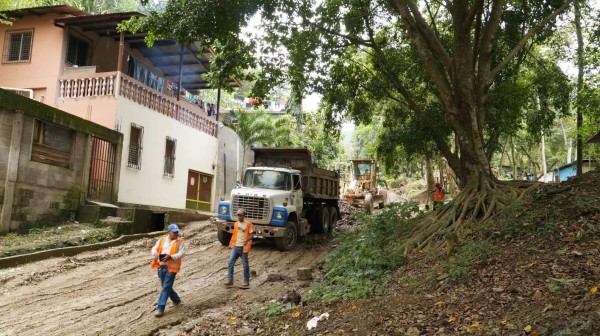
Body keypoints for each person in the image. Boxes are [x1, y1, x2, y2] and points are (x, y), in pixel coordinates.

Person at [150, 223, 186, 317]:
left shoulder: (180, 242)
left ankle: (160, 308)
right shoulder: (162, 240)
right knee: (166, 286)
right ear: (169, 232)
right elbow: (154, 248)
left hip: (172, 267)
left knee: (166, 287)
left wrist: (171, 257)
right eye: (174, 232)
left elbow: (182, 253)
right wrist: (155, 253)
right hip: (161, 266)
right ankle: (176, 299)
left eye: (177, 232)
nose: (176, 234)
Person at [224, 208, 254, 288]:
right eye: (238, 215)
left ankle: (246, 281)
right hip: (235, 247)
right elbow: (235, 235)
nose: (239, 217)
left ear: (244, 215)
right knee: (230, 262)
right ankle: (230, 280)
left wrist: (246, 240)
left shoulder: (249, 224)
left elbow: (251, 235)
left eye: (240, 215)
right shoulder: (236, 224)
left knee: (245, 265)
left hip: (243, 248)